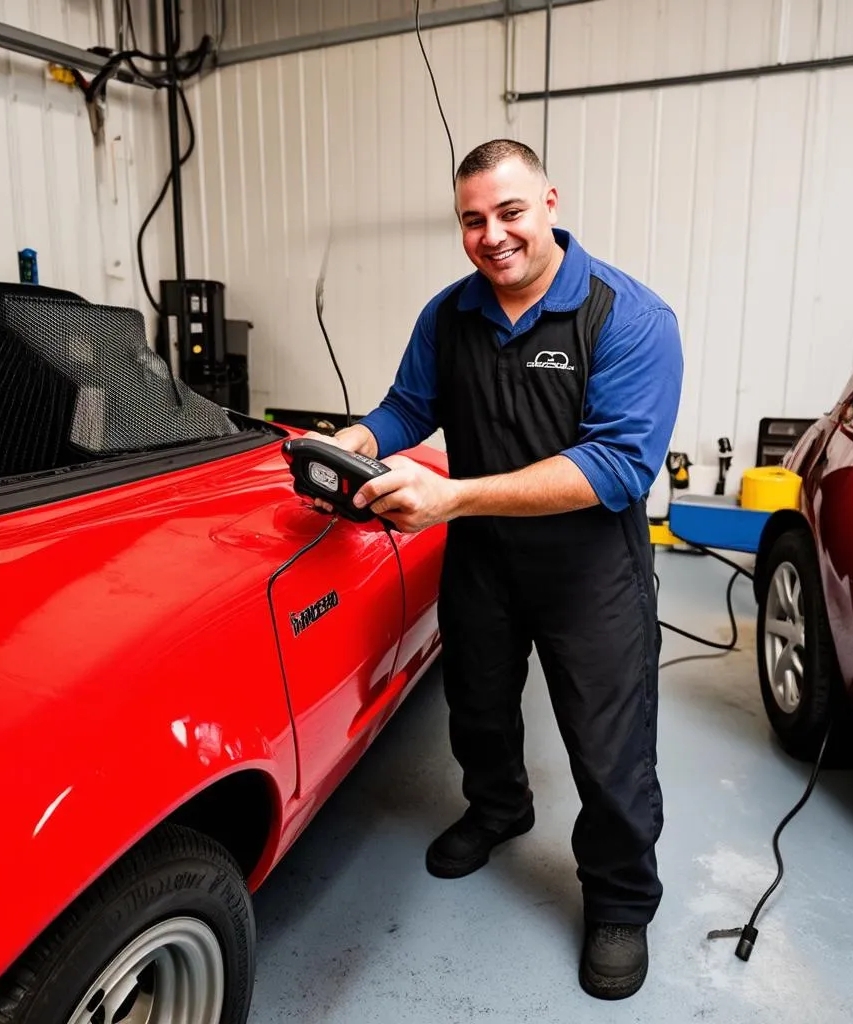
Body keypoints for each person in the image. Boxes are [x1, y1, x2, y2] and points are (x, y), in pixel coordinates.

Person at [310, 138, 682, 1000]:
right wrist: (360, 442)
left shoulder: (628, 316)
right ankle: (500, 808)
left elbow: (619, 467)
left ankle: (622, 898)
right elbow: (411, 403)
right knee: (477, 709)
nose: (493, 235)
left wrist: (451, 497)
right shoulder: (450, 316)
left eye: (509, 212)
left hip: (591, 571)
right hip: (483, 558)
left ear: (549, 201)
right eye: (472, 220)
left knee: (608, 747)